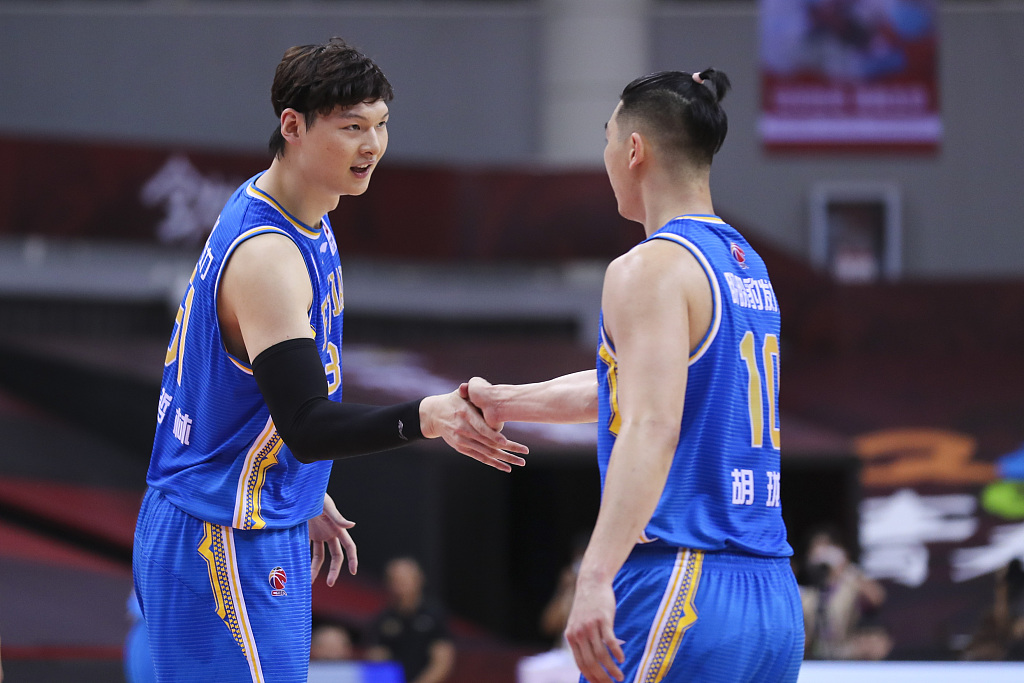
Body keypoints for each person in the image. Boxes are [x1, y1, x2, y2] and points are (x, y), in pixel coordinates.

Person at [132, 37, 527, 683]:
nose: (372, 146)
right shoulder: (269, 255)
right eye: (351, 128)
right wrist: (427, 416)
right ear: (293, 126)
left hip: (244, 508)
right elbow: (308, 424)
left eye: (381, 125)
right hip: (218, 530)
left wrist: (295, 484)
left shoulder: (301, 209)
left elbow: (252, 394)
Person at [464, 69, 803, 683]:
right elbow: (636, 388)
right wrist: (508, 401)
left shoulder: (648, 267)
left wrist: (594, 576)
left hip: (684, 580)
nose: (605, 159)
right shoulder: (746, 264)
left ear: (634, 150)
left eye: (606, 140)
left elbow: (651, 423)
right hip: (772, 595)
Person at [798, 528, 891, 660]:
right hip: (816, 653)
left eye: (826, 551)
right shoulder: (807, 594)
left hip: (847, 651)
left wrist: (845, 567)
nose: (822, 557)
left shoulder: (850, 586)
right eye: (817, 552)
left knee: (875, 643)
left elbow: (877, 598)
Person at [367, 557, 455, 683]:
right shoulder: (383, 619)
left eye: (404, 580)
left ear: (419, 579)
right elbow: (375, 655)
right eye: (395, 580)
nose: (399, 586)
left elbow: (442, 661)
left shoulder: (434, 616)